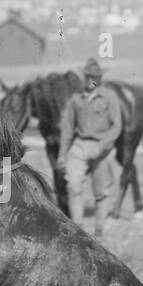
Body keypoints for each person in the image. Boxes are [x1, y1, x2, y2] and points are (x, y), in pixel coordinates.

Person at [58, 58, 126, 238]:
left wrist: (102, 147)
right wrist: (63, 154)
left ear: (100, 78)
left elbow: (116, 126)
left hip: (102, 147)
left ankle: (99, 230)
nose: (91, 80)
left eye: (95, 77)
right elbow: (67, 129)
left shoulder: (109, 97)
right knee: (73, 185)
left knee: (101, 192)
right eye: (88, 76)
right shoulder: (76, 99)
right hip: (80, 145)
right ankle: (77, 230)